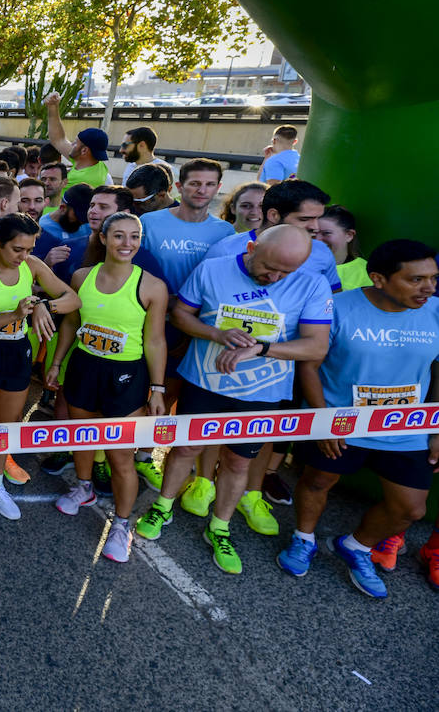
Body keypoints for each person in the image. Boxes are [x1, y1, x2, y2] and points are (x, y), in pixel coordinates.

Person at [135, 225, 332, 575]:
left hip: (263, 392)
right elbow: (181, 315)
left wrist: (263, 348)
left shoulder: (311, 283)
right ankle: (163, 506)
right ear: (253, 247)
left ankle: (220, 527)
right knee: (185, 450)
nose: (275, 277)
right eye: (270, 267)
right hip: (204, 381)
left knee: (238, 463)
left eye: (286, 272)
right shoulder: (214, 268)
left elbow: (316, 345)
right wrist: (217, 334)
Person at [279, 240, 439, 597]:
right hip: (340, 421)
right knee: (318, 481)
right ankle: (304, 538)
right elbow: (310, 364)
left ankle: (356, 546)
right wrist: (323, 420)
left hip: (405, 428)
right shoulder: (337, 308)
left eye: (432, 278)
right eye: (415, 280)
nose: (428, 288)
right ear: (379, 279)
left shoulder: (436, 311)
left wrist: (436, 427)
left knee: (410, 509)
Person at [47, 212, 169, 562]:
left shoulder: (152, 286)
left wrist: (158, 389)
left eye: (134, 237)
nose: (126, 244)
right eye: (118, 236)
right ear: (103, 238)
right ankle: (83, 487)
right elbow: (71, 322)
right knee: (82, 437)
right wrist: (57, 362)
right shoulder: (82, 276)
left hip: (126, 377)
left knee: (120, 458)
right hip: (85, 368)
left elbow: (156, 341)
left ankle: (122, 523)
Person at [0, 214, 79, 521]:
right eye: (17, 249)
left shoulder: (33, 266)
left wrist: (42, 305)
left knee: (6, 425)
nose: (24, 256)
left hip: (17, 352)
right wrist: (14, 315)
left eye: (29, 248)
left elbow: (72, 299)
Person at [204, 180, 342, 293]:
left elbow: (332, 301)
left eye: (318, 218)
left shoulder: (322, 252)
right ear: (274, 215)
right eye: (304, 219)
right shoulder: (225, 250)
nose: (315, 227)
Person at [139, 159, 236, 299]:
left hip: (198, 312)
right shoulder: (148, 222)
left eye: (210, 184)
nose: (202, 190)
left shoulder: (225, 231)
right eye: (194, 184)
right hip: (153, 307)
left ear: (218, 188)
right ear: (179, 187)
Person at [44, 92, 111, 189]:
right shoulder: (96, 164)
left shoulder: (80, 180)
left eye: (75, 142)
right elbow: (59, 139)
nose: (71, 144)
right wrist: (53, 107)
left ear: (84, 151)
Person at [316, 205, 369, 291]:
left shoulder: (365, 272)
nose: (317, 240)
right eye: (313, 233)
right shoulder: (296, 266)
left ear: (349, 235)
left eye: (326, 233)